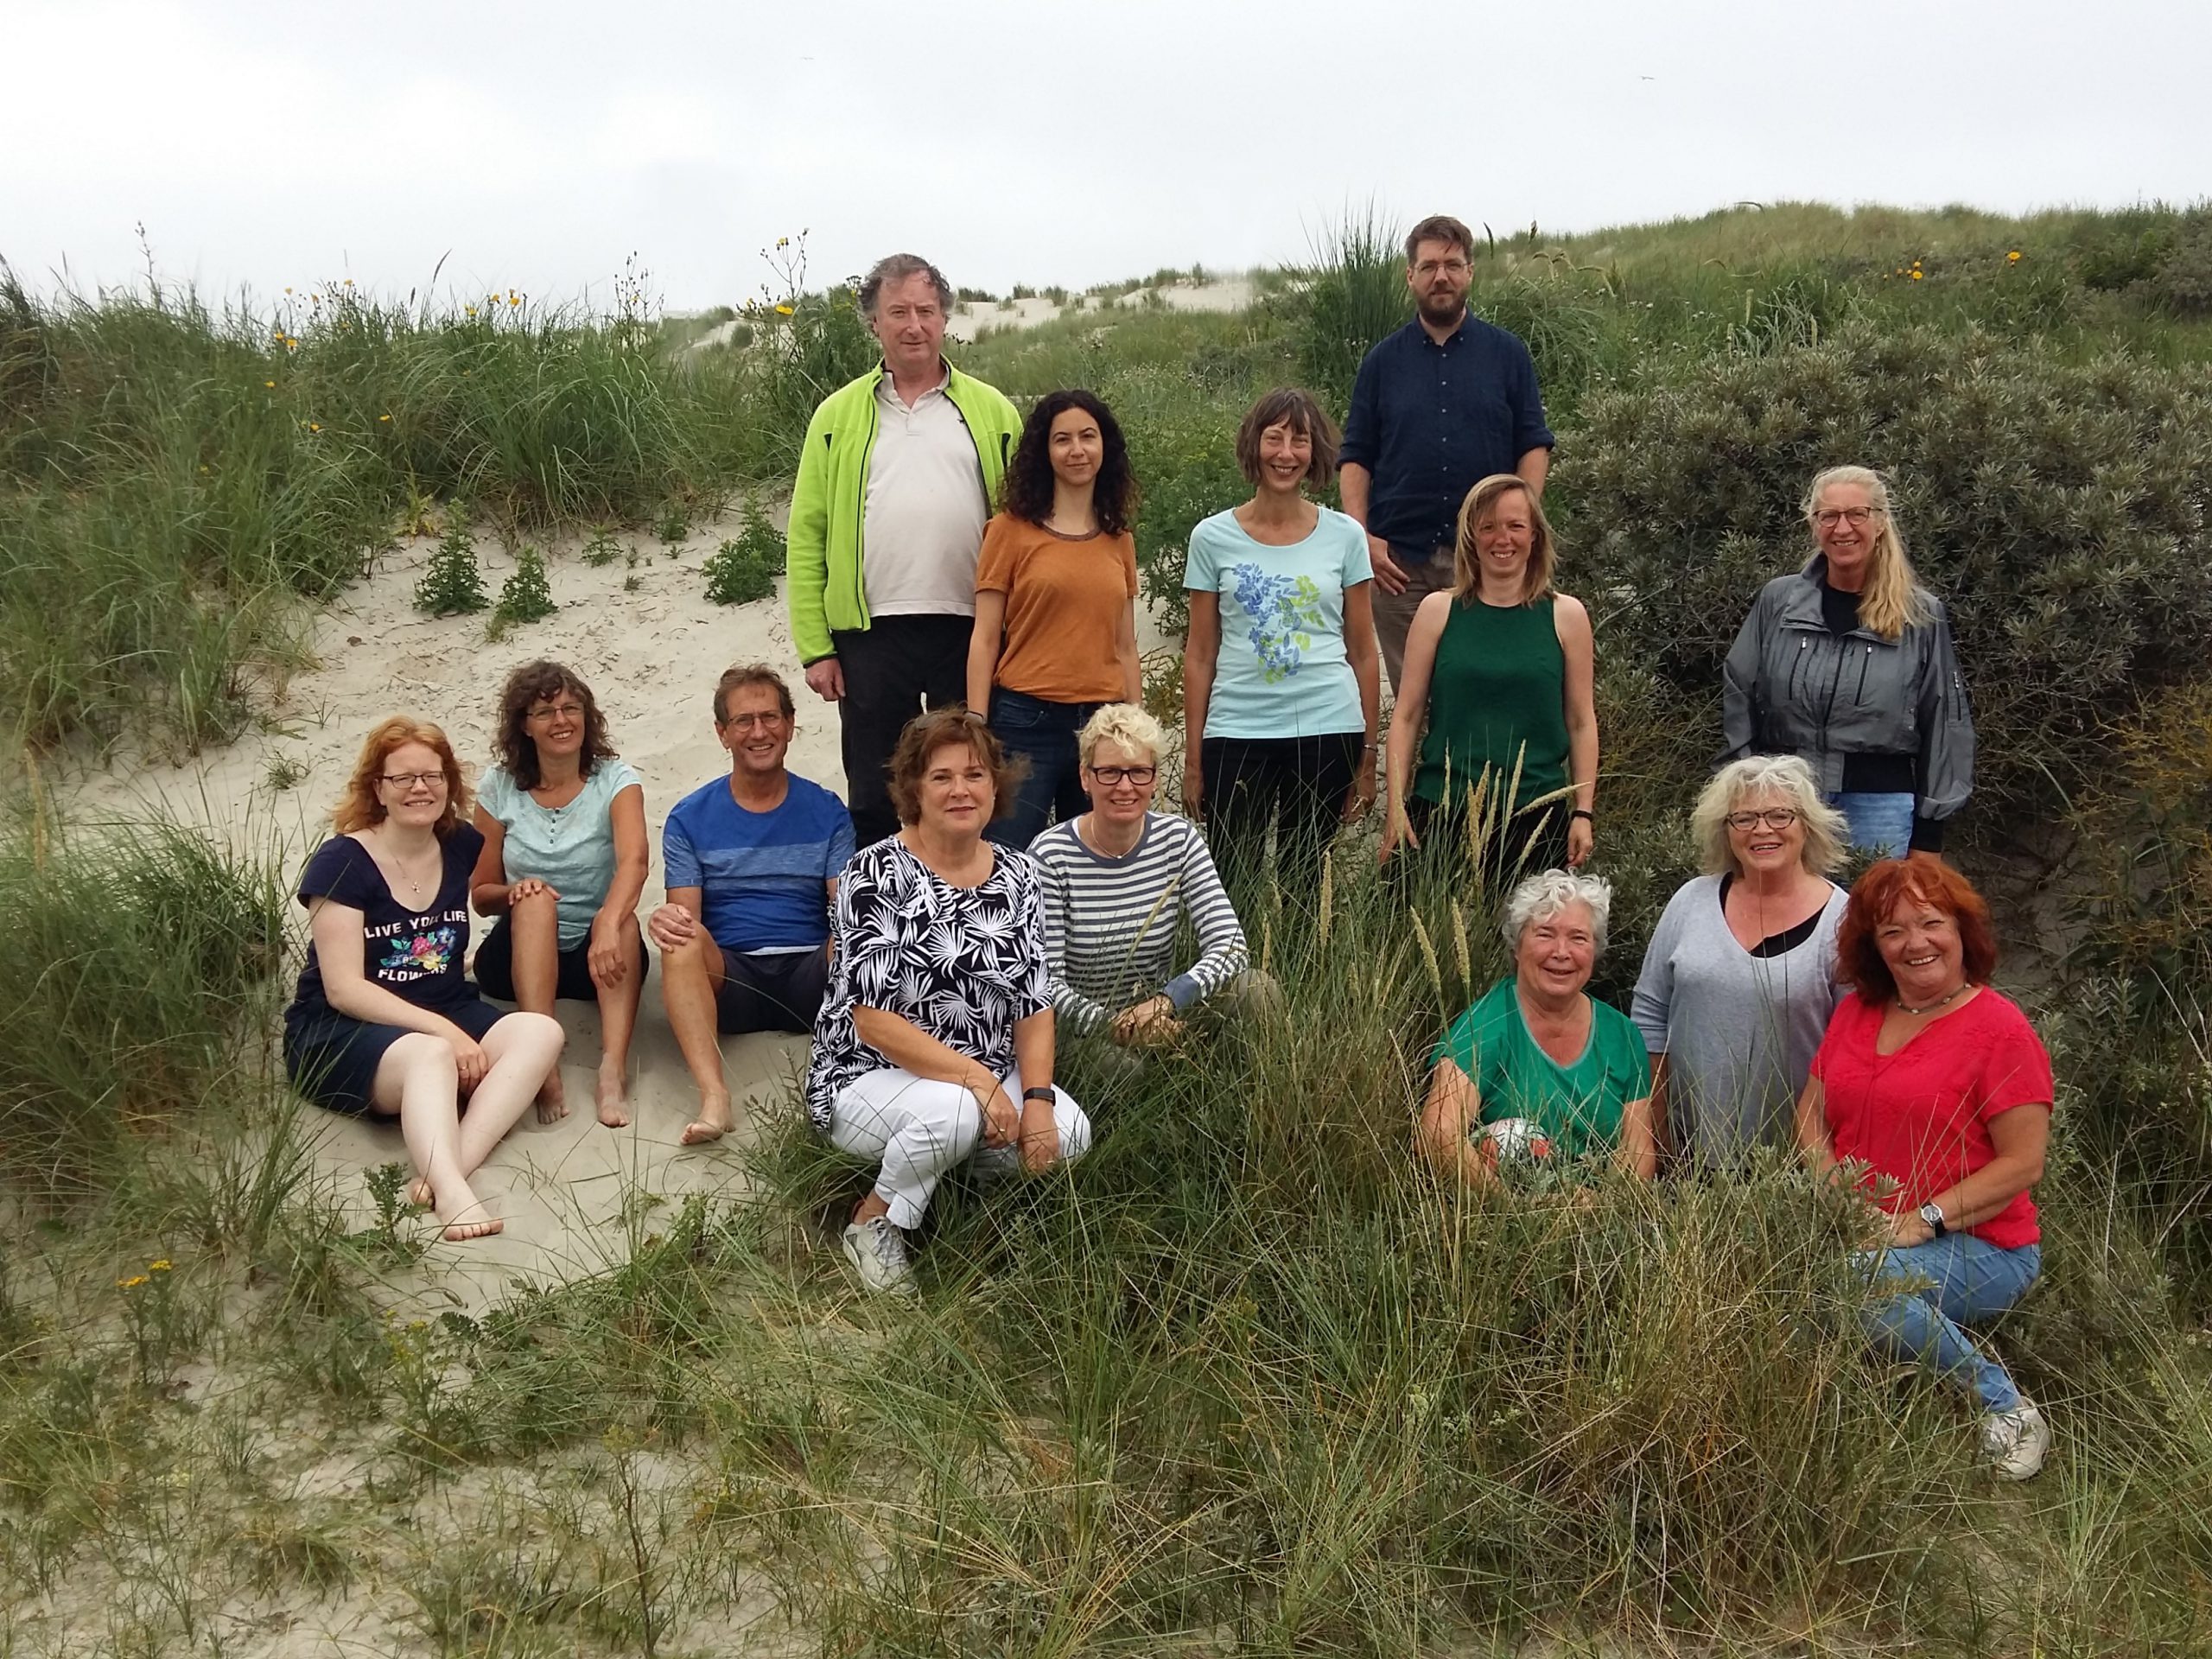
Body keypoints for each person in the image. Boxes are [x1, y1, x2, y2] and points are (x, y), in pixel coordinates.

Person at [805, 708, 1090, 1294]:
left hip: (985, 1075)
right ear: (913, 788)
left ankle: (973, 1206)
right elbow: (874, 1022)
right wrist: (981, 1084)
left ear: (996, 785)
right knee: (954, 1113)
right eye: (941, 777)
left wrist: (1034, 1100)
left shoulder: (1020, 874)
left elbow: (1033, 1001)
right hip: (869, 1077)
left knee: (1071, 1132)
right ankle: (873, 1220)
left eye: (975, 774)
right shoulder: (874, 873)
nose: (961, 789)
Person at [1794, 858, 2054, 1480]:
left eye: (1930, 923)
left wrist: (1918, 1222)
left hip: (1983, 1244)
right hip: (1860, 1225)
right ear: (1874, 947)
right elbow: (1809, 1118)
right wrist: (1837, 1194)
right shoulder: (1857, 1011)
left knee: (1858, 1283)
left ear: (1963, 932)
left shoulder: (2000, 1030)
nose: (1914, 943)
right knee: (1781, 1285)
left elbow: (2024, 1164)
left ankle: (2007, 1408)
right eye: (1892, 931)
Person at [282, 718, 564, 1241]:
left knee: (541, 1032)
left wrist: (448, 1026)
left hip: (444, 1004)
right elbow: (344, 988)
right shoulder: (342, 862)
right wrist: (446, 1033)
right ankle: (454, 1195)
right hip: (341, 1029)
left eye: (433, 776)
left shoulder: (460, 844)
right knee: (430, 1053)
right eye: (403, 778)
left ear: (449, 784)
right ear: (378, 790)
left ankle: (445, 1167)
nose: (420, 788)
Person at [786, 251, 1027, 849]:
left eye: (925, 310)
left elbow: (1025, 525)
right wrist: (816, 647)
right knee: (875, 789)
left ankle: (967, 911)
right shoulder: (836, 416)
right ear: (875, 323)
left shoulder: (993, 411)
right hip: (870, 632)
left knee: (967, 778)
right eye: (898, 312)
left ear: (945, 319)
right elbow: (807, 534)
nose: (913, 324)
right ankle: (880, 921)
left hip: (970, 628)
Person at [1338, 213, 1555, 692]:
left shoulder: (1508, 355)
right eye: (1430, 265)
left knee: (1484, 690)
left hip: (1485, 560)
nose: (1442, 276)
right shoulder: (1381, 363)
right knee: (1414, 697)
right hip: (1399, 568)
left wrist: (1523, 523)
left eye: (1453, 264)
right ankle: (1415, 772)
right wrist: (1362, 538)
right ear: (1410, 275)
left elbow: (1533, 444)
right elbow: (1355, 457)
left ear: (1470, 273)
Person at [1182, 388, 1381, 899]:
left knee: (1305, 881)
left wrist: (1367, 756)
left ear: (1316, 453)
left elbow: (1362, 650)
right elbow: (1201, 655)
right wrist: (1193, 761)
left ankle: (1299, 979)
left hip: (1327, 727)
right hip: (1235, 730)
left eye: (1300, 440)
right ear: (1254, 445)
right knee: (1232, 883)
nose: (1286, 454)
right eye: (1274, 439)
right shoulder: (1211, 537)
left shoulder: (1345, 537)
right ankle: (1235, 981)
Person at [1722, 464, 1975, 858]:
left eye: (1857, 514)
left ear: (1880, 522)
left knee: (1875, 919)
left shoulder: (1920, 615)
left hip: (1880, 808)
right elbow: (1738, 694)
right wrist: (1749, 786)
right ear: (1813, 525)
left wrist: (1928, 837)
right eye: (1829, 516)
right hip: (1784, 805)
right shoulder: (1778, 602)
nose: (1843, 529)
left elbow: (1945, 720)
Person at [652, 665, 855, 1147]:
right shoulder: (688, 817)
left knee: (860, 929)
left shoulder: (827, 809)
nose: (759, 732)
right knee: (679, 933)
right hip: (732, 981)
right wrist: (666, 919)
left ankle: (853, 1082)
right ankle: (714, 1097)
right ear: (722, 734)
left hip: (813, 979)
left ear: (789, 724)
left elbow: (844, 907)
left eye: (770, 718)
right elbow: (689, 917)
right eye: (743, 721)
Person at [1028, 703, 1279, 1062]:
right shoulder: (1051, 855)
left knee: (1257, 989)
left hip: (1164, 1014)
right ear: (1085, 777)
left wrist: (1167, 1002)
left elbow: (1230, 946)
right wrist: (1120, 1025)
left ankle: (1232, 1104)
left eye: (1138, 772)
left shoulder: (1177, 839)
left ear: (1155, 777)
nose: (1126, 787)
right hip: (1088, 1031)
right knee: (1122, 1072)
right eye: (1110, 772)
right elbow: (1046, 983)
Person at [1631, 756, 1849, 1166]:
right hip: (1686, 1153)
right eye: (1744, 818)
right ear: (1725, 830)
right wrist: (1655, 1132)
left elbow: (1855, 1045)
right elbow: (1650, 1015)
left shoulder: (1843, 921)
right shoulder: (1689, 901)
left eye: (1780, 815)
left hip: (1795, 1164)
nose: (1762, 830)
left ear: (1808, 824)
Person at [1379, 473, 1597, 880]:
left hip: (1536, 813)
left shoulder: (1567, 616)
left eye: (1515, 526)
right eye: (1489, 527)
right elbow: (1406, 717)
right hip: (1442, 808)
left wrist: (1582, 810)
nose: (1503, 539)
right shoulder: (1436, 612)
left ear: (1534, 536)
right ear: (1471, 537)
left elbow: (1581, 721)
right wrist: (1395, 806)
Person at [468, 661, 647, 1128]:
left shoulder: (615, 779)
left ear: (587, 717)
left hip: (600, 957)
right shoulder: (498, 786)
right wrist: (514, 892)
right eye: (545, 712)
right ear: (524, 726)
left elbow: (635, 862)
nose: (561, 721)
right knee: (536, 899)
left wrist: (607, 922)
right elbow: (480, 894)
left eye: (572, 708)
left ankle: (612, 1071)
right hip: (518, 960)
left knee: (623, 917)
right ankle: (541, 1063)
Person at [966, 389, 1142, 848]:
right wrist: (976, 724)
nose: (1077, 450)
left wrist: (1136, 729)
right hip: (1026, 721)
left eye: (1089, 436)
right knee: (1005, 855)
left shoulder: (1118, 540)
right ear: (1044, 451)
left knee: (1098, 861)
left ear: (1106, 447)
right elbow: (985, 636)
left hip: (1104, 724)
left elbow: (1125, 645)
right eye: (1063, 439)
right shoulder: (1008, 531)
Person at [1418, 869, 1656, 1188]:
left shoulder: (1623, 1035)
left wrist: (1601, 1208)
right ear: (1517, 947)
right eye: (1545, 934)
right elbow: (1437, 1134)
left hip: (1602, 1220)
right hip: (1503, 1219)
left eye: (1578, 938)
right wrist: (1514, 1211)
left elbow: (1639, 1152)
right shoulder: (1486, 1024)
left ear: (1594, 951)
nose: (1561, 952)